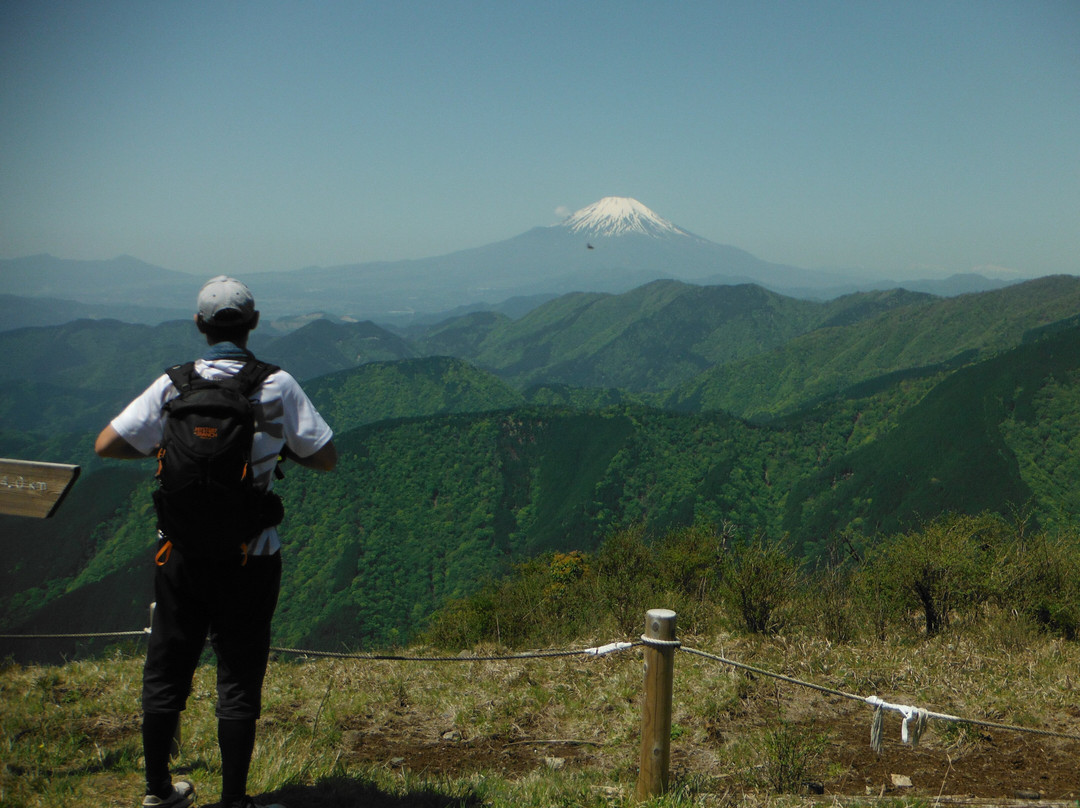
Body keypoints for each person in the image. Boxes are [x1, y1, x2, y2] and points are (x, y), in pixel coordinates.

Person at [95, 276, 337, 808]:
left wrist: (168, 448)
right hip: (252, 555)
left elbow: (106, 444)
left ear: (200, 325)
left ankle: (159, 790)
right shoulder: (276, 385)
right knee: (239, 673)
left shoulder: (174, 386)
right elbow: (325, 455)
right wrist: (274, 452)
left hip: (179, 554)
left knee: (166, 666)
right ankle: (233, 800)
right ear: (252, 323)